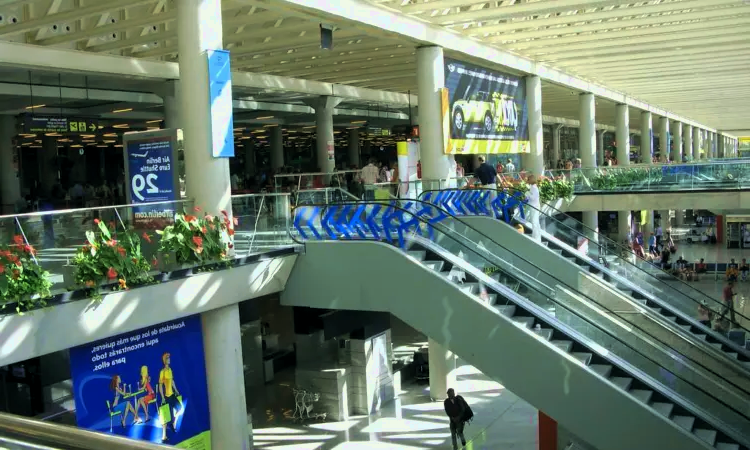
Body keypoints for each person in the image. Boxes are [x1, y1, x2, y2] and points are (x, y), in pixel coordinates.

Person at [159, 353, 181, 442]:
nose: (169, 359)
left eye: (169, 358)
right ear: (165, 360)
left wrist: (176, 390)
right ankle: (164, 436)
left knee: (179, 408)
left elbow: (172, 381)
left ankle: (173, 424)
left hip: (172, 395)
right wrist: (162, 397)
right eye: (167, 358)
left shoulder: (170, 370)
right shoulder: (162, 372)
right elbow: (160, 385)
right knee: (167, 416)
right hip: (166, 396)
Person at [525, 175, 541, 242]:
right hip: (534, 206)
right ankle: (536, 237)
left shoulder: (534, 188)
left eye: (528, 179)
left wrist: (527, 193)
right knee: (535, 222)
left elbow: (533, 197)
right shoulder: (533, 187)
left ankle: (536, 238)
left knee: (534, 222)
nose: (527, 181)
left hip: (534, 207)